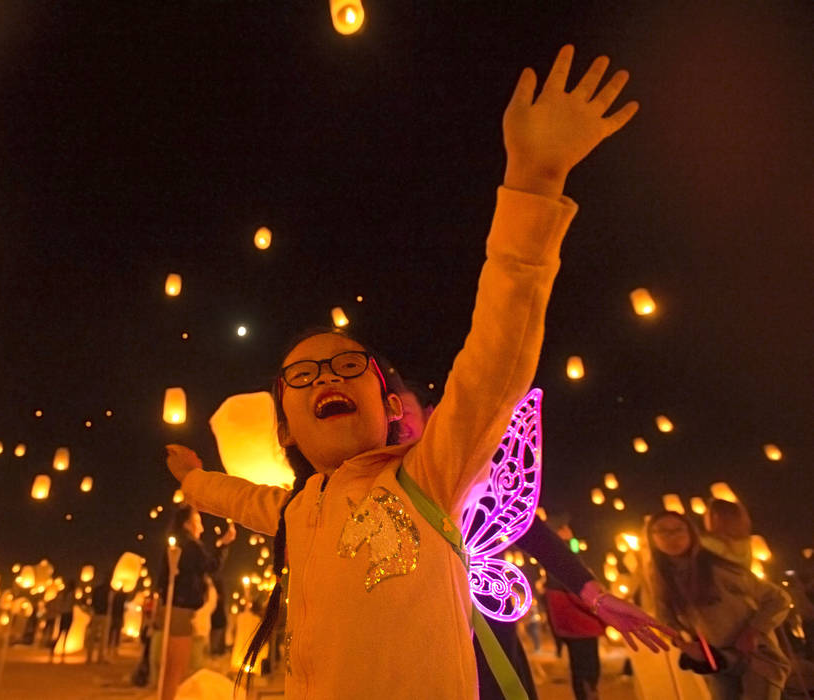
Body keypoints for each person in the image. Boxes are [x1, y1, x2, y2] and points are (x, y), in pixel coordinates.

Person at [166, 45, 640, 698]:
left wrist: (532, 183)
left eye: (347, 364)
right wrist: (194, 482)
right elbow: (235, 498)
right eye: (301, 377)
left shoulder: (429, 476)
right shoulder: (297, 511)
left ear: (389, 403)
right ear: (286, 429)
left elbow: (494, 362)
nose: (325, 377)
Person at [394, 379, 672, 699]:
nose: (396, 423)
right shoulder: (373, 486)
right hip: (414, 639)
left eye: (403, 411)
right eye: (387, 414)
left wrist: (595, 596)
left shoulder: (472, 477)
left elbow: (534, 535)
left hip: (484, 630)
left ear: (431, 413)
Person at [646, 510, 791, 699]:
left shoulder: (717, 568)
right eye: (662, 531)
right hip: (717, 660)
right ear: (652, 538)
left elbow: (778, 598)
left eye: (678, 530)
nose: (671, 537)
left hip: (755, 658)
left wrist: (753, 631)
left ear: (691, 533)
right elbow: (665, 620)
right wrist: (682, 643)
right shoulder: (661, 578)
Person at [154, 505, 236, 700]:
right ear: (187, 524)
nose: (202, 527)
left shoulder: (182, 544)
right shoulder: (190, 545)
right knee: (177, 668)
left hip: (175, 607)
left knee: (171, 668)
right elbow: (211, 566)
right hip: (180, 609)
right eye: (198, 521)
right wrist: (223, 544)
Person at [702, 499, 754, 568]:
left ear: (716, 517)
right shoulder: (745, 545)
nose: (704, 517)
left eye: (706, 513)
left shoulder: (706, 545)